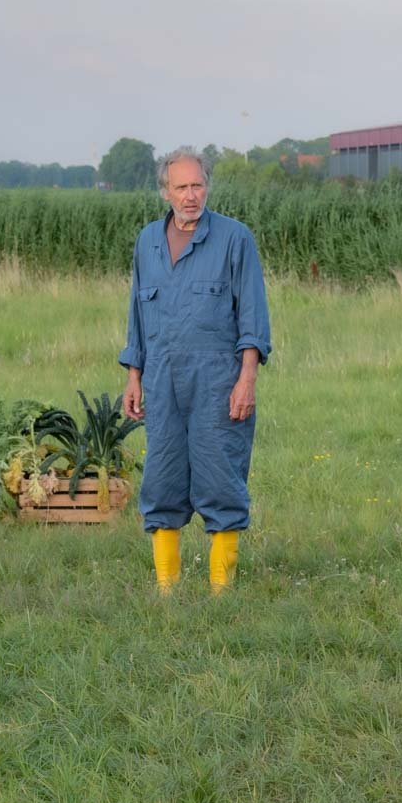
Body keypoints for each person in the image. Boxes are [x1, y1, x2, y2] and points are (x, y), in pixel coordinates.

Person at [120, 148, 271, 595]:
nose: (191, 196)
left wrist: (247, 380)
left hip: (218, 380)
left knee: (220, 476)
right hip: (161, 379)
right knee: (162, 477)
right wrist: (133, 375)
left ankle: (221, 591)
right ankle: (166, 591)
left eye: (197, 185)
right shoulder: (147, 242)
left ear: (208, 187)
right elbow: (137, 314)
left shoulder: (234, 238)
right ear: (165, 192)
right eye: (181, 187)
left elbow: (253, 316)